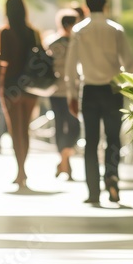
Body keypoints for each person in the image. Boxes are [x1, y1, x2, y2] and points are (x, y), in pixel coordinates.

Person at [65, 0, 133, 205]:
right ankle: (112, 179)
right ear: (105, 4)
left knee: (91, 141)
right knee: (114, 137)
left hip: (89, 91)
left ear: (87, 5)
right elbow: (128, 63)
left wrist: (71, 95)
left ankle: (93, 191)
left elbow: (70, 69)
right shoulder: (115, 29)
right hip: (113, 89)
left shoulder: (79, 31)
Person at [0, 0, 41, 190]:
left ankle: (20, 170)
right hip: (30, 85)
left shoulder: (5, 33)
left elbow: (3, 58)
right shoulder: (32, 32)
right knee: (25, 129)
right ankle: (23, 170)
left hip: (12, 85)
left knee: (15, 130)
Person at [47, 9, 80, 180]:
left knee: (64, 126)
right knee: (69, 126)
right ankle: (65, 161)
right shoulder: (74, 43)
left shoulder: (53, 43)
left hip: (60, 90)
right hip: (67, 91)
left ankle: (64, 161)